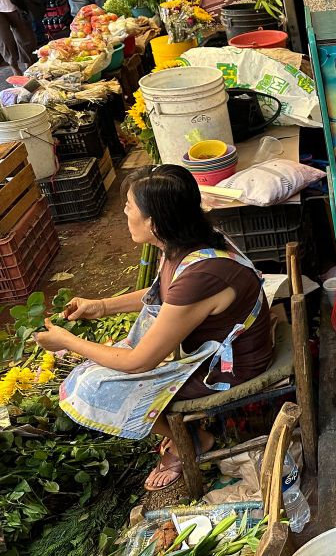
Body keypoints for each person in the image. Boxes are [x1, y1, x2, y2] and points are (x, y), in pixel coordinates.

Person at [35, 165, 275, 491]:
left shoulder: (201, 275)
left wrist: (68, 341)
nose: (123, 212)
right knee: (99, 364)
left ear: (153, 222)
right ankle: (185, 435)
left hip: (228, 368)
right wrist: (101, 306)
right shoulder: (185, 242)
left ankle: (192, 438)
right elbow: (165, 296)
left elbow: (139, 362)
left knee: (95, 385)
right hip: (214, 346)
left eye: (129, 207)